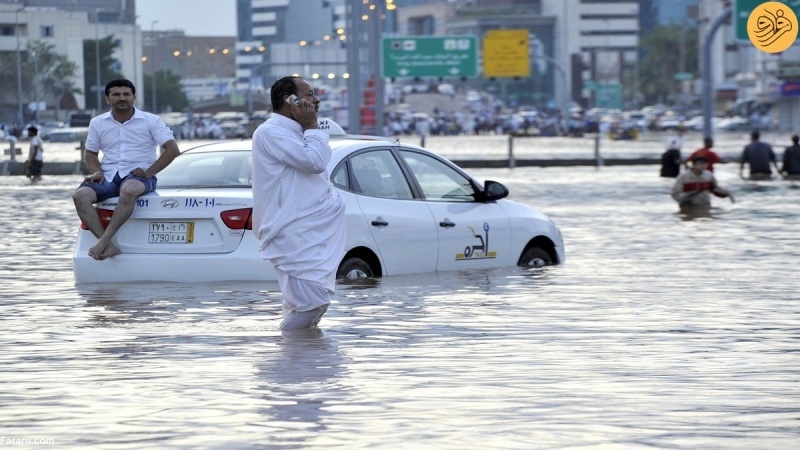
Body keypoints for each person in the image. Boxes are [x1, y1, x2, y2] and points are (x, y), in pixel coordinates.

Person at [251, 76, 346, 331]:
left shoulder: (298, 132)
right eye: (310, 95)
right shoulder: (270, 132)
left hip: (307, 231)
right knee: (312, 304)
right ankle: (283, 348)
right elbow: (313, 162)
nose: (316, 101)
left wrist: (310, 129)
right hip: (290, 229)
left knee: (306, 304)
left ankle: (298, 364)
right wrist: (313, 128)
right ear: (289, 101)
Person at [72, 78, 179, 260]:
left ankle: (103, 241)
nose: (122, 98)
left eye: (126, 94)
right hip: (107, 176)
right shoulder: (98, 123)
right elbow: (90, 153)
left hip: (140, 176)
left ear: (134, 97)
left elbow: (173, 149)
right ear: (108, 98)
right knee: (79, 196)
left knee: (128, 191)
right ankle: (109, 245)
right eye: (116, 94)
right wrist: (96, 171)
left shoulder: (151, 121)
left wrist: (149, 172)